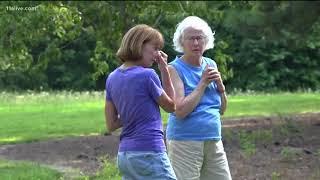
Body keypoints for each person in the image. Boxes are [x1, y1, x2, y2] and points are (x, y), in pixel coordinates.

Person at [105, 24, 177, 180]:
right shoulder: (147, 75)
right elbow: (171, 106)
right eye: (155, 47)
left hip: (125, 155)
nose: (157, 53)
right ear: (140, 44)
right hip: (149, 152)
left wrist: (135, 110)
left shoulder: (112, 78)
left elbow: (111, 125)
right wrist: (164, 69)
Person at [166, 16, 232, 180]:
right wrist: (202, 83)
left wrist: (221, 88)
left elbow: (222, 109)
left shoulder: (211, 64)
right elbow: (179, 111)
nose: (196, 43)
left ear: (206, 40)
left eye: (199, 38)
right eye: (191, 38)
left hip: (213, 139)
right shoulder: (174, 69)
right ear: (182, 42)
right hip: (185, 142)